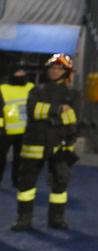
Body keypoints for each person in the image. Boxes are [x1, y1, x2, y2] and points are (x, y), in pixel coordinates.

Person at [11, 54, 79, 231]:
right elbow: (33, 111)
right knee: (26, 183)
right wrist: (57, 110)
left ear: (66, 72)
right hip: (35, 142)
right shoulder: (36, 90)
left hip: (60, 144)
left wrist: (51, 117)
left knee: (60, 182)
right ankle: (24, 219)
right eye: (52, 68)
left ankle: (56, 218)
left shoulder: (72, 93)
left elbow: (73, 118)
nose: (55, 71)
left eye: (59, 68)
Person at [0, 68, 35, 186]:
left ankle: (17, 180)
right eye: (17, 74)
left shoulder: (31, 87)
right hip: (6, 131)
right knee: (1, 157)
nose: (20, 76)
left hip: (25, 130)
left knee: (19, 159)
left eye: (23, 74)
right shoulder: (3, 89)